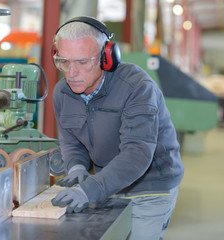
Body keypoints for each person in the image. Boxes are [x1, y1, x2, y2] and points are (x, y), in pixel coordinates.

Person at [50, 16, 184, 240]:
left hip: (150, 187)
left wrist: (88, 190)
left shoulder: (137, 88)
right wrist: (76, 168)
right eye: (64, 61)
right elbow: (71, 140)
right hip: (107, 184)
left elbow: (137, 154)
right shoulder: (63, 93)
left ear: (106, 57)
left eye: (82, 62)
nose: (71, 72)